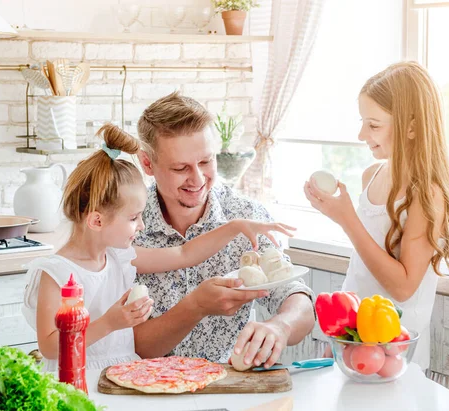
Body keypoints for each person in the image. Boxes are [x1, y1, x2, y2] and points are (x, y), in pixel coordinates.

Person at [22, 124, 295, 371]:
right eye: (133, 218)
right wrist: (110, 323)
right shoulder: (56, 273)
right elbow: (49, 347)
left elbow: (184, 254)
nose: (141, 226)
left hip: (124, 373)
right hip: (77, 377)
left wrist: (235, 226)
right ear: (96, 220)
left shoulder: (120, 257)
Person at [131, 91, 316, 370]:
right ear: (147, 163)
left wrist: (280, 327)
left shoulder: (247, 217)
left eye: (206, 162)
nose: (197, 179)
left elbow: (299, 302)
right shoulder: (125, 228)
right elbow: (134, 346)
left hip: (232, 388)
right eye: (181, 168)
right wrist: (195, 307)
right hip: (147, 389)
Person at [305, 61, 449, 370]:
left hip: (395, 348)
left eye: (374, 125)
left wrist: (347, 220)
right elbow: (363, 270)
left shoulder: (428, 194)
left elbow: (403, 287)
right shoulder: (372, 175)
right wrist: (339, 336)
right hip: (352, 337)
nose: (362, 133)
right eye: (363, 122)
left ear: (412, 126)